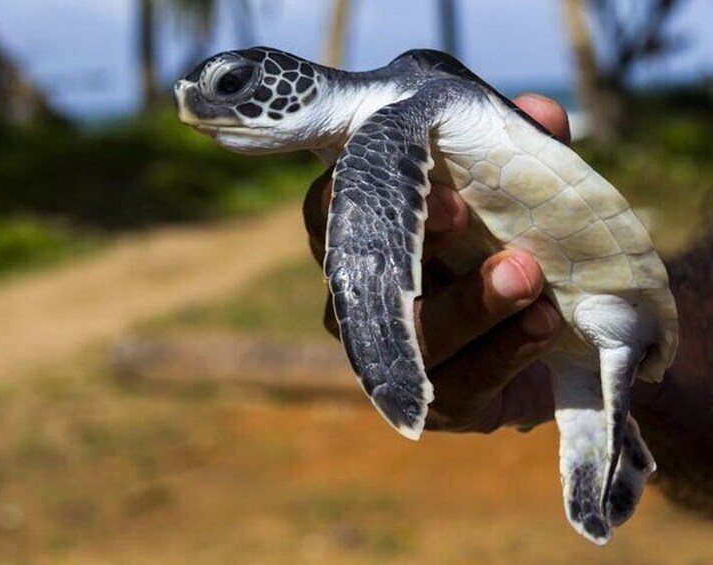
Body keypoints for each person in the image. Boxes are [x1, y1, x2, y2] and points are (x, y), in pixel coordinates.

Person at [302, 93, 713, 515]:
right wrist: (638, 373)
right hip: (578, 320)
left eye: (235, 86)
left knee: (367, 184)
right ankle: (597, 401)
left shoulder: (398, 121)